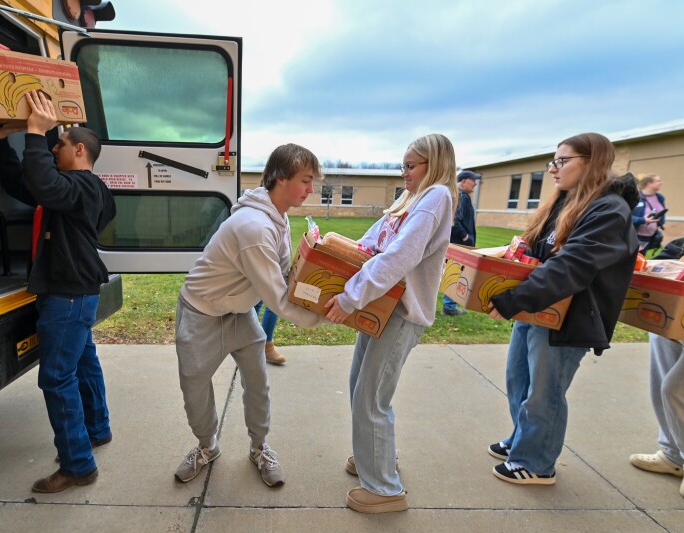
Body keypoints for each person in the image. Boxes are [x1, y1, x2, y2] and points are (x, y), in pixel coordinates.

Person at [486, 133, 638, 485]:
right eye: (552, 161)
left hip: (571, 316)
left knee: (545, 391)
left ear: (591, 161)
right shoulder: (566, 202)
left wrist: (514, 300)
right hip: (539, 308)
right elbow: (542, 256)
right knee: (519, 380)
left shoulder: (608, 210)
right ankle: (523, 440)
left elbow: (572, 265)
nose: (553, 169)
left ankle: (537, 462)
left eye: (562, 161)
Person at [174, 143, 326, 488]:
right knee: (195, 387)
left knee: (257, 381)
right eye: (305, 180)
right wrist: (330, 316)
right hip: (202, 311)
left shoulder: (279, 218)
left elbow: (286, 275)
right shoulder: (254, 228)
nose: (310, 189)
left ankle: (259, 448)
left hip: (239, 312)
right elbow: (279, 300)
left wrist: (322, 285)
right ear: (280, 178)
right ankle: (207, 446)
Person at [0, 91, 116, 493]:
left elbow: (44, 182)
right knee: (82, 363)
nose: (50, 148)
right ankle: (96, 430)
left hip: (68, 295)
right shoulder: (65, 191)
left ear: (79, 150)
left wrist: (33, 132)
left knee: (56, 378)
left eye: (56, 144)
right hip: (74, 293)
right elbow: (22, 181)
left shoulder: (84, 187)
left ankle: (78, 465)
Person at [324, 134, 457, 513]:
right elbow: (372, 243)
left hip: (400, 313)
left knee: (372, 397)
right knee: (360, 387)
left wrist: (351, 296)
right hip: (382, 309)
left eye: (411, 166)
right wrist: (334, 252)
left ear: (435, 165)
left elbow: (400, 256)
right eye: (403, 166)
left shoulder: (436, 198)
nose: (404, 174)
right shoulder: (411, 198)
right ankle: (375, 456)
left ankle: (384, 489)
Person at [628, 237, 684, 501]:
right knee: (660, 380)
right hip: (678, 319)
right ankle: (673, 454)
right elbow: (673, 251)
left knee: (674, 389)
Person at [442, 170, 480, 316]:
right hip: (459, 244)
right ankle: (449, 307)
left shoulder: (458, 195)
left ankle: (449, 306)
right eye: (473, 180)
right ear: (463, 181)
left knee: (453, 272)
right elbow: (455, 220)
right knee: (455, 273)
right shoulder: (462, 196)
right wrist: (465, 237)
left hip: (457, 243)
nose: (475, 183)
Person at [632, 173, 666, 255]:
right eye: (658, 181)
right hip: (636, 237)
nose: (661, 183)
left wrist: (660, 220)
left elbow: (661, 213)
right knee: (634, 260)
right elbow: (625, 216)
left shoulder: (660, 197)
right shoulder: (635, 197)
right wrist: (643, 220)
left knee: (644, 260)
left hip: (651, 237)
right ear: (649, 183)